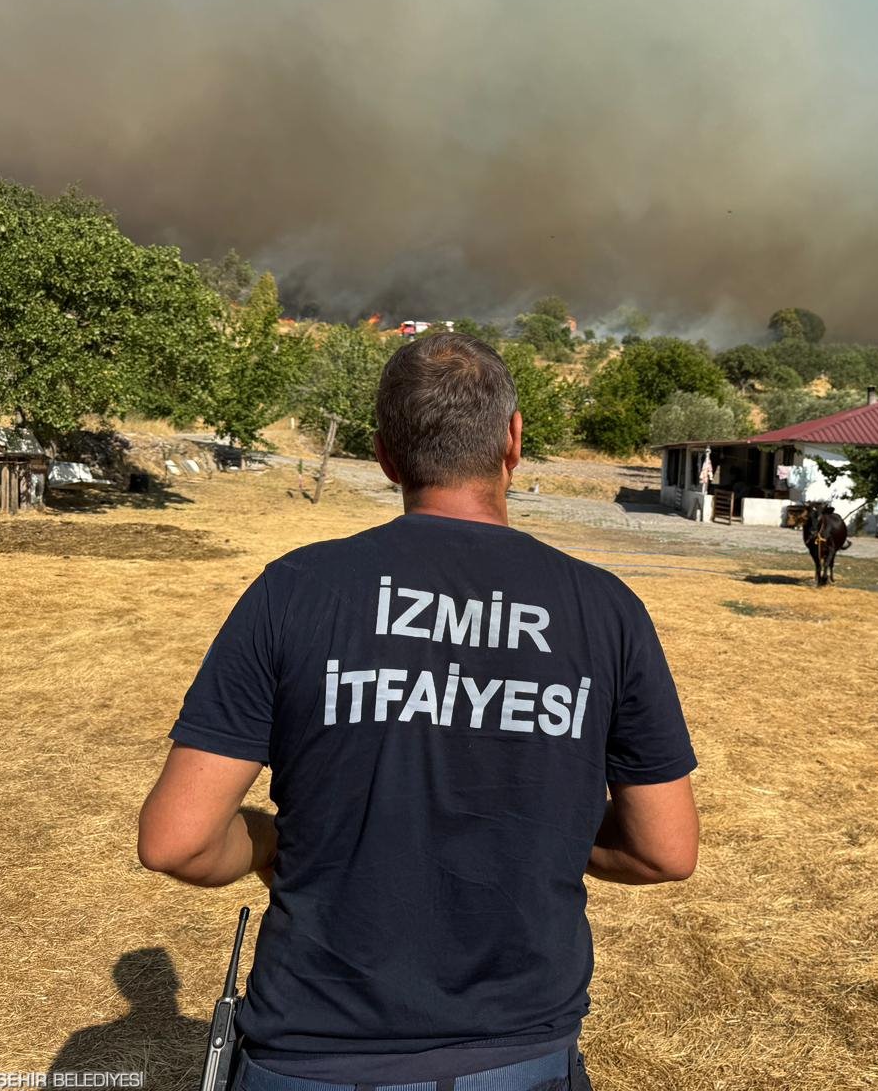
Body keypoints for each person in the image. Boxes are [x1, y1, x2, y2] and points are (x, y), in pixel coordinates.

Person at [137, 332, 698, 1091]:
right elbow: (665, 851)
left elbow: (177, 842)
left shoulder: (296, 590)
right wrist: (546, 833)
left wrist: (270, 842)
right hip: (520, 1057)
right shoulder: (605, 609)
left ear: (384, 455)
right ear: (513, 439)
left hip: (313, 1052)